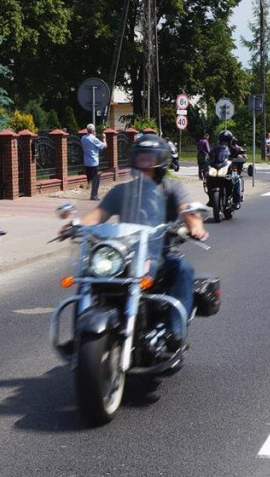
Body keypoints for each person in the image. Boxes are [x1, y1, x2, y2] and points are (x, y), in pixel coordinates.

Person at [65, 134, 207, 347]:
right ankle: (81, 336)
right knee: (89, 276)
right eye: (141, 158)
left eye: (149, 159)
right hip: (125, 253)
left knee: (183, 269)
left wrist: (194, 225)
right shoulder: (122, 191)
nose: (144, 164)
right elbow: (98, 215)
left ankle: (175, 331)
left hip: (159, 252)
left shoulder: (171, 188)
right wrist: (75, 225)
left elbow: (186, 210)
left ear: (160, 163)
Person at [81, 124, 107, 201]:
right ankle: (94, 196)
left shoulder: (83, 138)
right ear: (93, 130)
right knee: (96, 180)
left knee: (90, 178)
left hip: (86, 161)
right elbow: (104, 146)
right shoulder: (93, 139)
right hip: (93, 161)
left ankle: (89, 187)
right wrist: (104, 138)